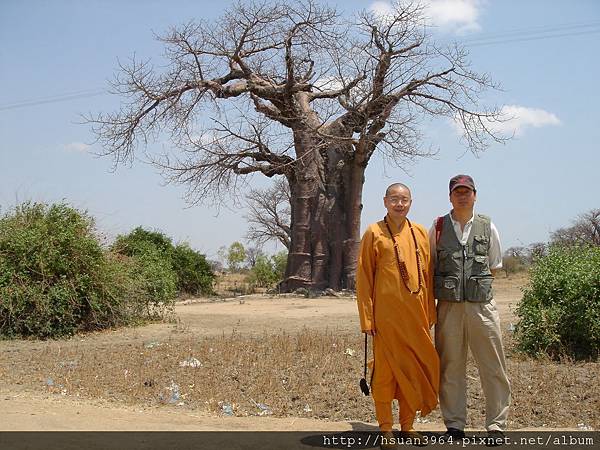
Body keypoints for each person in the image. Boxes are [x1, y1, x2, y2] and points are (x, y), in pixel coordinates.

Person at [356, 183, 439, 448]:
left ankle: (408, 426)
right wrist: (367, 318)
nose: (399, 204)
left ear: (411, 202)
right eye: (394, 199)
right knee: (385, 375)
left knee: (412, 372)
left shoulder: (420, 233)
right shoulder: (374, 233)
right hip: (386, 321)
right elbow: (364, 278)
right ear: (385, 201)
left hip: (416, 320)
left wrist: (429, 313)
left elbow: (427, 276)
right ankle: (385, 429)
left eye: (404, 199)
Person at [429, 174, 511, 443]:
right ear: (450, 196)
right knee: (450, 367)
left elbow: (494, 267)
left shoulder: (488, 227)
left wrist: (474, 289)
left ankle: (496, 426)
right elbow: (431, 266)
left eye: (467, 191)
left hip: (482, 308)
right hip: (449, 308)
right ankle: (454, 425)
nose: (462, 196)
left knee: (493, 366)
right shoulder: (438, 227)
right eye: (457, 192)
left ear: (475, 195)